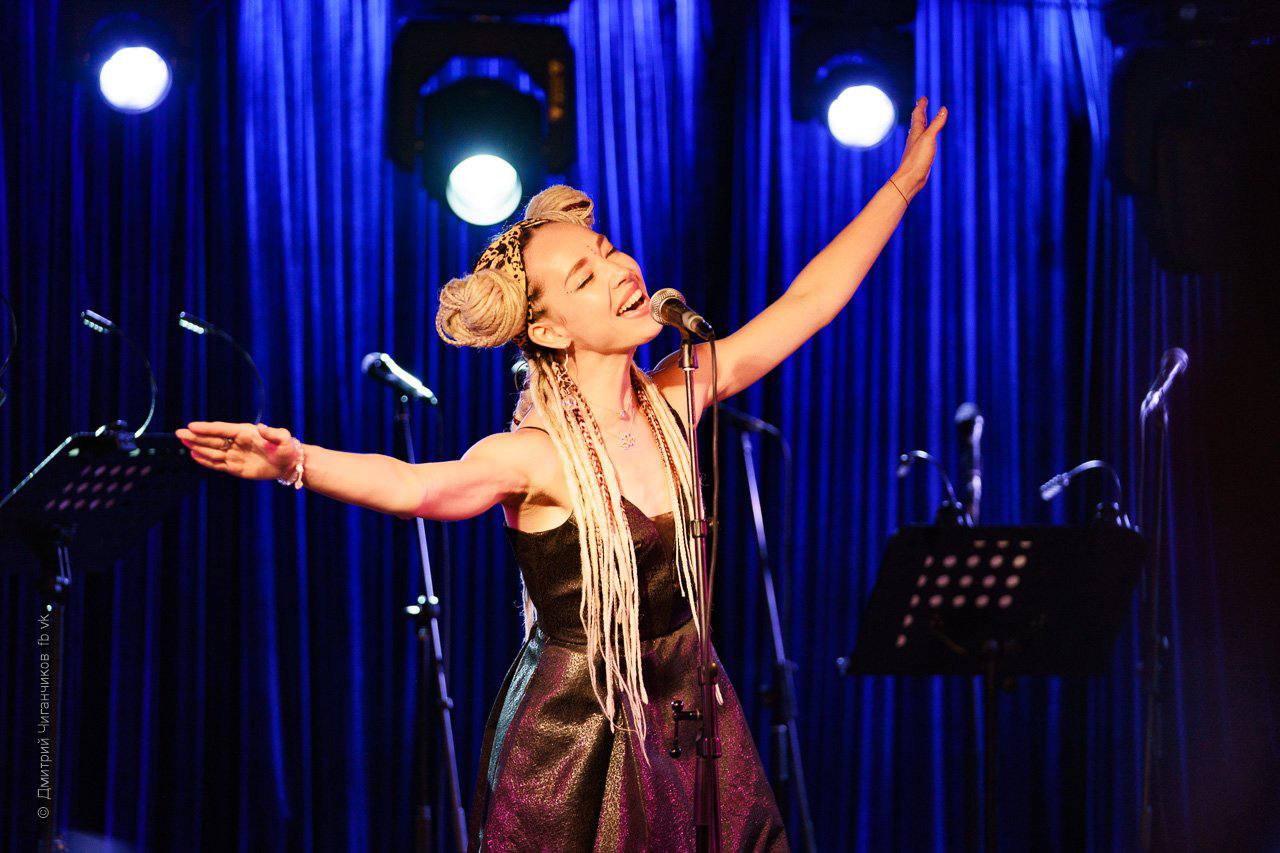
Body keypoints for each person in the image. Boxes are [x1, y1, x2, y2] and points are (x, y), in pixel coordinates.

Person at [178, 98, 947, 851]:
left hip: (691, 710)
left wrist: (902, 185)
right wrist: (295, 460)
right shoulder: (536, 453)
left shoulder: (676, 395)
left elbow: (808, 302)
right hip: (581, 741)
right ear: (546, 328)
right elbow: (416, 485)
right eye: (584, 277)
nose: (618, 270)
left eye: (607, 250)